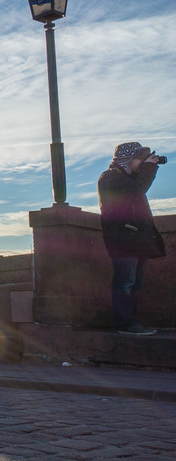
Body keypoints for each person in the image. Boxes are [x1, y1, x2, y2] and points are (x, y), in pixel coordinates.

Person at [98, 142, 166, 336]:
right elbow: (136, 190)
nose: (144, 164)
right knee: (125, 283)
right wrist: (150, 168)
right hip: (123, 239)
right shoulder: (110, 178)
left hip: (138, 240)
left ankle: (132, 322)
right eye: (141, 160)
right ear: (127, 160)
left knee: (135, 283)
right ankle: (124, 323)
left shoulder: (130, 179)